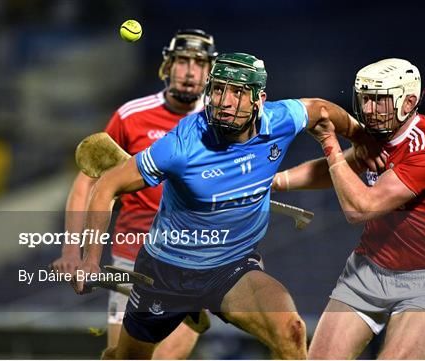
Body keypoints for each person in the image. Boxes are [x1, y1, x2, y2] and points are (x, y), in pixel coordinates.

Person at [72, 52, 380, 359]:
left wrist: (359, 136)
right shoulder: (181, 145)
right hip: (167, 272)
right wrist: (90, 259)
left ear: (259, 99)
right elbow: (107, 185)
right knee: (129, 358)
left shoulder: (280, 119)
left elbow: (321, 109)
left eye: (237, 92)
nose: (225, 101)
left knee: (291, 331)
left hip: (231, 267)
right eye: (218, 89)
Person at [272, 58, 425, 359]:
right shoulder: (379, 134)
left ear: (408, 101)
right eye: (365, 100)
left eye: (379, 101)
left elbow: (360, 208)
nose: (369, 110)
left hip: (423, 281)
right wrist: (275, 181)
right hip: (367, 270)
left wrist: (330, 142)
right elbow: (333, 171)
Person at [51, 29, 217, 359]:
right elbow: (87, 184)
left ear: (210, 72)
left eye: (199, 63)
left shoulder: (218, 123)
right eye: (182, 61)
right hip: (132, 258)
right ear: (167, 66)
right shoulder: (131, 115)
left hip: (193, 264)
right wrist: (73, 250)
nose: (189, 71)